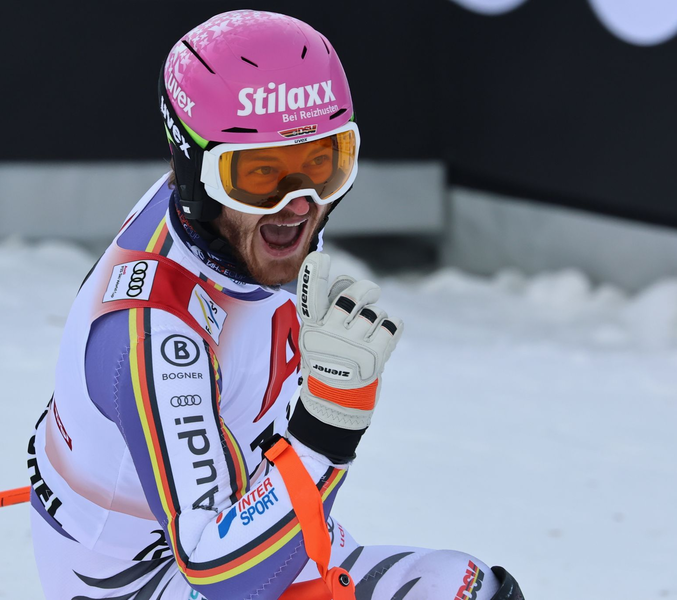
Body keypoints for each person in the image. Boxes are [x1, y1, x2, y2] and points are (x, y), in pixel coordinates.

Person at [28, 9, 525, 599]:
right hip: (155, 579)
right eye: (263, 174)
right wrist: (328, 423)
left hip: (255, 534)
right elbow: (220, 575)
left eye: (323, 163)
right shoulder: (157, 334)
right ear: (193, 169)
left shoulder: (223, 222)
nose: (299, 205)